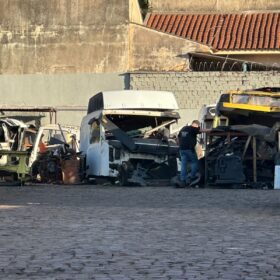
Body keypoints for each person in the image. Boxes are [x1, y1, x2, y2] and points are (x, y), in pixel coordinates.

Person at [177, 120, 201, 187]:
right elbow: (200, 131)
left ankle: (183, 179)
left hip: (182, 149)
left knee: (183, 164)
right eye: (198, 126)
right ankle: (192, 177)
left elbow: (178, 136)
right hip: (189, 149)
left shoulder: (184, 128)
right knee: (195, 162)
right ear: (196, 125)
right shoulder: (193, 129)